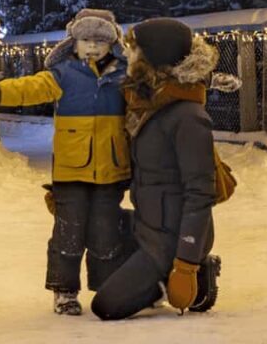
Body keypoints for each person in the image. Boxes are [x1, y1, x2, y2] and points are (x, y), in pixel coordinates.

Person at [0, 8, 129, 316]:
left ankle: (107, 287)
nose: (94, 47)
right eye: (86, 40)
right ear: (73, 44)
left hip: (111, 169)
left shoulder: (124, 75)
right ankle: (64, 291)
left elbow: (161, 86)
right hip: (71, 169)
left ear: (112, 45)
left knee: (106, 230)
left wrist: (203, 80)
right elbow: (26, 88)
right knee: (68, 231)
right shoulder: (64, 75)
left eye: (101, 41)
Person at [92, 17, 222, 320]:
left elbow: (201, 192)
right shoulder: (147, 105)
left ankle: (199, 274)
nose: (128, 56)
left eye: (134, 50)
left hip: (172, 240)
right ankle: (149, 277)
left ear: (155, 57)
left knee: (106, 306)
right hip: (147, 225)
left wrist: (186, 263)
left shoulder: (188, 116)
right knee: (94, 223)